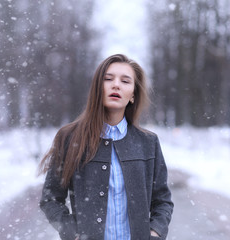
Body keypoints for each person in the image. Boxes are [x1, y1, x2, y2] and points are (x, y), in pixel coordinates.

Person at [38, 54, 174, 240]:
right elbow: (50, 199)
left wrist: (154, 232)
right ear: (97, 88)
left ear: (133, 95)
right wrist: (72, 233)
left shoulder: (148, 142)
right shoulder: (69, 138)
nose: (116, 85)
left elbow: (162, 201)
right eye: (108, 79)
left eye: (125, 81)